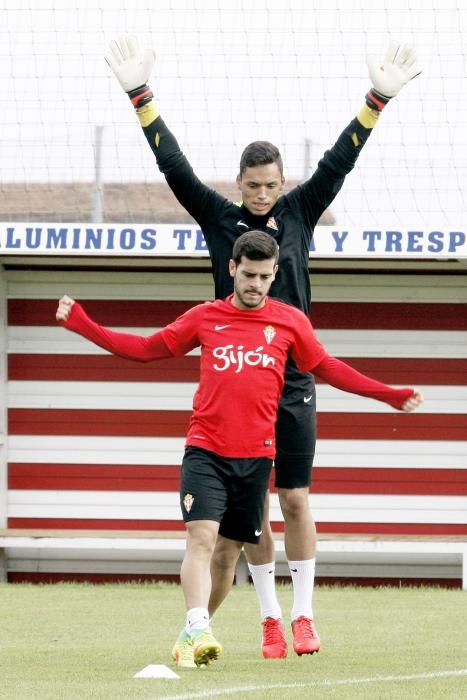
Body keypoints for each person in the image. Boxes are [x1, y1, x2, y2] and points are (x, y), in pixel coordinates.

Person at [104, 36, 422, 659]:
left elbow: (338, 163)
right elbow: (177, 172)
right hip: (236, 379)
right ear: (241, 183)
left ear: (281, 182)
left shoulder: (301, 211)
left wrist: (377, 99)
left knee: (296, 497)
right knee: (247, 518)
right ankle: (268, 618)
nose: (261, 193)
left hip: (293, 376)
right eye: (252, 184)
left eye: (270, 183)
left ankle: (302, 617)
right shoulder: (221, 219)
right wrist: (142, 99)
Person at [56, 230, 422, 668]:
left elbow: (327, 367)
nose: (255, 284)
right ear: (232, 269)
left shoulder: (290, 322)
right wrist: (83, 323)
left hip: (255, 459)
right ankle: (197, 624)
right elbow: (146, 349)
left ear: (274, 275)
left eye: (264, 276)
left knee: (228, 556)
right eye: (248, 274)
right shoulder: (205, 318)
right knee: (201, 539)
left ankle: (193, 631)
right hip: (205, 450)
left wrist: (387, 394)